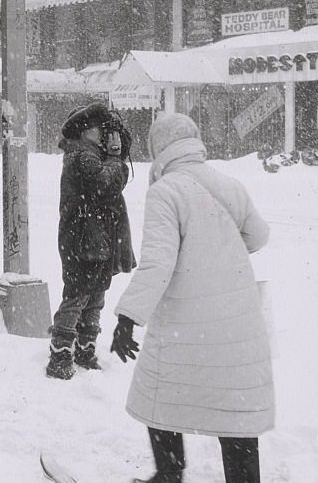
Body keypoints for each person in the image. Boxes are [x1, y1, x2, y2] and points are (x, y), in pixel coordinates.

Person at [109, 113, 272, 483]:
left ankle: (169, 474)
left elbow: (158, 262)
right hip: (236, 321)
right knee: (235, 405)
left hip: (186, 323)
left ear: (159, 149)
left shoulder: (166, 191)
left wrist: (127, 318)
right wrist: (216, 256)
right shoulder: (228, 184)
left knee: (159, 394)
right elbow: (258, 236)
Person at [46, 101, 135, 380]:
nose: (105, 133)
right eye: (100, 128)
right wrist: (115, 158)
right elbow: (103, 185)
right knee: (79, 294)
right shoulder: (82, 156)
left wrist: (113, 158)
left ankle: (84, 349)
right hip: (84, 239)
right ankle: (61, 355)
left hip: (93, 238)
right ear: (85, 131)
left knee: (94, 293)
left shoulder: (88, 153)